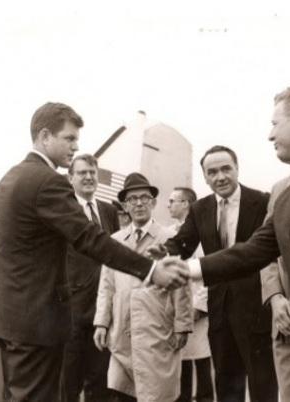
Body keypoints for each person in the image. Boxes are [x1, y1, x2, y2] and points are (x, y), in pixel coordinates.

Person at [0, 102, 189, 402]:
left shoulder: (10, 179)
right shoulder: (47, 181)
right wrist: (149, 269)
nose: (76, 146)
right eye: (69, 138)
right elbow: (89, 237)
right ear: (44, 136)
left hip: (10, 319)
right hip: (35, 323)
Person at [177, 85, 290, 401]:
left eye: (274, 124)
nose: (269, 135)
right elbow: (254, 250)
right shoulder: (287, 192)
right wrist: (186, 269)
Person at [149, 146, 278, 402]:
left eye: (226, 169)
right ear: (205, 178)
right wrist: (164, 251)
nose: (220, 177)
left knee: (262, 382)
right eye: (212, 172)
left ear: (237, 169)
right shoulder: (200, 209)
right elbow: (183, 243)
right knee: (226, 383)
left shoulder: (262, 202)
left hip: (255, 307)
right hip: (218, 309)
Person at [93, 173, 193, 402]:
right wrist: (101, 322)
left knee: (157, 393)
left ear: (153, 203)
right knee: (124, 392)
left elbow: (182, 284)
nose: (139, 203)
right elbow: (106, 285)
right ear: (125, 206)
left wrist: (182, 325)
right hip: (122, 330)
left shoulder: (169, 238)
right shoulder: (115, 241)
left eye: (144, 198)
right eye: (133, 199)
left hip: (157, 330)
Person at [60, 154, 119, 402]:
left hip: (103, 312)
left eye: (92, 172)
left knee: (100, 382)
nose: (88, 177)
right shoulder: (62, 211)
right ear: (70, 177)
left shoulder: (108, 211)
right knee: (69, 384)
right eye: (82, 172)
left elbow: (114, 255)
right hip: (71, 312)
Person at [261, 174, 290, 402]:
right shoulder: (280, 188)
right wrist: (275, 297)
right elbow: (267, 251)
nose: (272, 136)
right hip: (286, 322)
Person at [168, 187, 214, 402]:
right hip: (176, 308)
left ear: (185, 203)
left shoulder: (200, 233)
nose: (169, 205)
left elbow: (205, 272)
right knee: (181, 359)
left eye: (173, 201)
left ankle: (205, 399)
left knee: (201, 359)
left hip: (195, 307)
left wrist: (199, 306)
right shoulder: (171, 232)